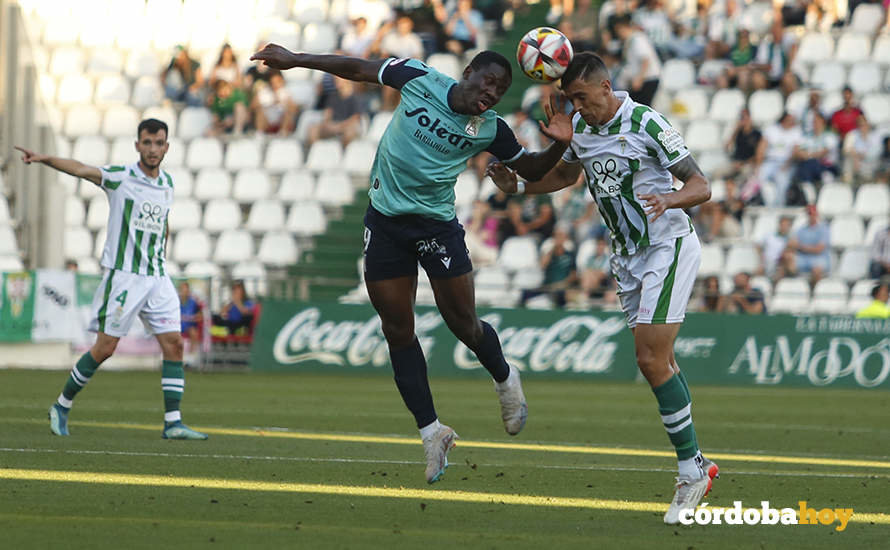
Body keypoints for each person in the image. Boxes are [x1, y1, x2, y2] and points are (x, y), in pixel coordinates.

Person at [250, 43, 576, 483]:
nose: (493, 92)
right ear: (467, 72)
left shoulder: (490, 128)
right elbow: (357, 67)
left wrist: (558, 146)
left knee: (464, 324)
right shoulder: (418, 78)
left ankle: (504, 377)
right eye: (489, 81)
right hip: (384, 222)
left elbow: (534, 170)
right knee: (397, 329)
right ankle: (432, 433)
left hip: (436, 227)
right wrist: (296, 58)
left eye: (501, 89)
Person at [486, 52, 718, 524]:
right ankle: (699, 463)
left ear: (607, 88)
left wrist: (670, 198)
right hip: (626, 258)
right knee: (662, 361)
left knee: (650, 360)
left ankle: (692, 469)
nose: (579, 108)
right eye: (572, 100)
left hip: (667, 243)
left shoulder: (646, 123)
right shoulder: (584, 132)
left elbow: (701, 184)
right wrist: (518, 189)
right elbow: (565, 176)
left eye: (583, 99)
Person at [15, 120, 207, 440]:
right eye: (147, 142)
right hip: (125, 277)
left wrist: (161, 248)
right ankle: (61, 406)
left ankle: (173, 422)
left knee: (174, 344)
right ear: (137, 145)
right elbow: (81, 169)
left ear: (167, 147)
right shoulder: (121, 177)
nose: (153, 149)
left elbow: (163, 222)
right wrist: (45, 158)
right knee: (105, 348)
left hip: (157, 277)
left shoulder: (168, 184)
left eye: (159, 143)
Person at [519, 225, 577, 308]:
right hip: (547, 285)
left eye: (561, 236)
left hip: (561, 286)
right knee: (525, 293)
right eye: (557, 236)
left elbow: (573, 275)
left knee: (561, 295)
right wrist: (552, 249)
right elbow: (542, 266)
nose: (559, 238)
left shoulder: (570, 255)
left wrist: (563, 283)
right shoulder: (549, 253)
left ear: (565, 239)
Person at [612, 14, 661, 106]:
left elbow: (646, 59)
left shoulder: (637, 39)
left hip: (647, 80)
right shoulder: (629, 41)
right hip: (641, 80)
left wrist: (639, 78)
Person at [307, 77, 366, 147]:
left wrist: (340, 126)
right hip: (334, 125)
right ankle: (317, 152)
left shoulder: (356, 97)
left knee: (349, 132)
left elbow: (356, 118)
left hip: (347, 126)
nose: (336, 81)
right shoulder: (332, 97)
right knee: (313, 130)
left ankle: (344, 155)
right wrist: (329, 124)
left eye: (339, 79)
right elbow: (327, 114)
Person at [789, 204, 830, 284]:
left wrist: (801, 247)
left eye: (812, 213)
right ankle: (795, 285)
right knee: (788, 259)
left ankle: (813, 291)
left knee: (817, 269)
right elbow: (793, 244)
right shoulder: (801, 229)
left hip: (819, 258)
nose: (811, 216)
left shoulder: (824, 229)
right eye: (809, 214)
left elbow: (819, 249)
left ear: (816, 214)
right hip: (803, 257)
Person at [178, 281, 203, 350]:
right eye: (183, 290)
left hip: (190, 325)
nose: (185, 292)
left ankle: (192, 354)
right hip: (177, 325)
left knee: (193, 333)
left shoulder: (193, 302)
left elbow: (200, 315)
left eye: (186, 289)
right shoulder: (175, 301)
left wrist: (193, 317)